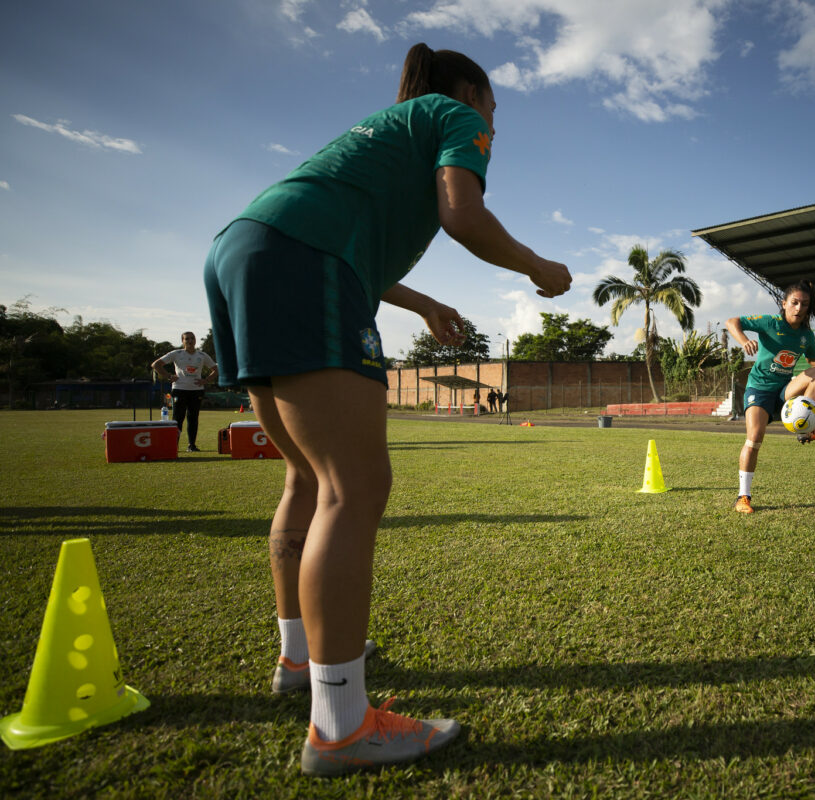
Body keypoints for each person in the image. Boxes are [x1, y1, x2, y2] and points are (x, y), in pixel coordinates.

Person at [203, 43, 572, 777]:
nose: (495, 122)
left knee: (306, 480)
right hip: (304, 256)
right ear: (473, 94)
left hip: (242, 246)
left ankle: (298, 659)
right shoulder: (453, 115)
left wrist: (425, 301)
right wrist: (539, 265)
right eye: (495, 107)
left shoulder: (388, 126)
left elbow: (337, 234)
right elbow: (462, 213)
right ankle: (340, 727)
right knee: (354, 486)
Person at [726, 281, 815, 514]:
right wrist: (744, 340)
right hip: (759, 390)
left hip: (784, 390)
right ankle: (742, 497)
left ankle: (808, 429)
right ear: (784, 303)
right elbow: (732, 322)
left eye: (804, 304)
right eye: (794, 302)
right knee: (754, 439)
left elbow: (814, 361)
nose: (798, 308)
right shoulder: (770, 323)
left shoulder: (806, 335)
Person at [151, 331, 218, 452]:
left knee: (193, 418)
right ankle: (173, 446)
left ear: (195, 340)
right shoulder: (176, 354)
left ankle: (192, 445)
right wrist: (169, 376)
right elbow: (156, 365)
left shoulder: (202, 356)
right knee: (178, 418)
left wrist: (206, 380)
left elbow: (216, 369)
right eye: (187, 339)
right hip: (179, 389)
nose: (190, 341)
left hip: (196, 391)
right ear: (182, 341)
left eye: (192, 338)